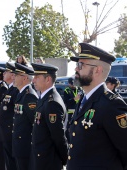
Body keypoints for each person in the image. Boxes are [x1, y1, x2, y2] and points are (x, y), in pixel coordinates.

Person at [67, 42, 127, 170]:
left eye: (80, 65)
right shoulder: (84, 99)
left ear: (97, 70)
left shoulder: (111, 104)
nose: (76, 69)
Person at [30, 63, 68, 170]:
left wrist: (65, 158)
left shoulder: (52, 103)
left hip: (48, 161)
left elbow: (58, 136)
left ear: (48, 79)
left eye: (37, 77)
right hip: (40, 157)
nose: (33, 80)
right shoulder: (45, 98)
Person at [12, 63, 38, 170]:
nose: (13, 77)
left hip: (25, 144)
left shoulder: (29, 95)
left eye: (16, 75)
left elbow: (35, 122)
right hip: (19, 143)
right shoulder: (21, 93)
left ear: (25, 78)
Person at [0, 62, 19, 170]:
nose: (4, 73)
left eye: (6, 71)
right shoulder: (10, 89)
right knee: (8, 159)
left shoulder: (15, 91)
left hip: (10, 130)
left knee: (12, 160)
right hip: (5, 130)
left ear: (12, 75)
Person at [63, 77, 83, 142]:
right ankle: (69, 142)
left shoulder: (80, 89)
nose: (73, 85)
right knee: (69, 129)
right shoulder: (66, 91)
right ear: (69, 83)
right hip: (70, 112)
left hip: (79, 112)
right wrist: (74, 99)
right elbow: (66, 102)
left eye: (74, 83)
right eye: (72, 84)